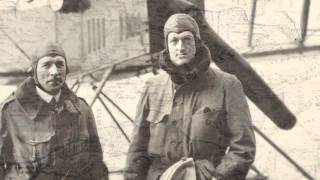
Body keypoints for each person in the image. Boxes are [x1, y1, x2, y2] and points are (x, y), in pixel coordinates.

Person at [124, 13, 256, 180]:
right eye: (174, 40)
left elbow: (243, 147)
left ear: (197, 43)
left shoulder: (227, 85)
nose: (181, 47)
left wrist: (219, 178)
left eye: (187, 39)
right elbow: (137, 150)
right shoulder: (152, 88)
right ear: (167, 46)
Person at [0, 42, 109, 180]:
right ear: (33, 71)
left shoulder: (82, 110)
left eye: (60, 64)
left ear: (66, 70)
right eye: (46, 65)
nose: (55, 72)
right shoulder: (10, 112)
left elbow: (96, 165)